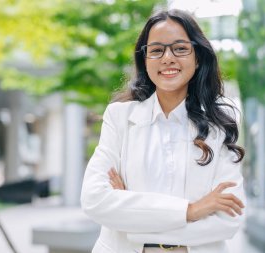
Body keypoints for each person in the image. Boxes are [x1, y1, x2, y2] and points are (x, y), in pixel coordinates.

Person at [81, 9, 246, 253]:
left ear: (197, 57)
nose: (167, 58)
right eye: (157, 50)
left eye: (180, 48)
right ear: (145, 60)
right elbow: (94, 199)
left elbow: (228, 220)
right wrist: (192, 210)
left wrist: (131, 220)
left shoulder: (220, 125)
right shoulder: (119, 117)